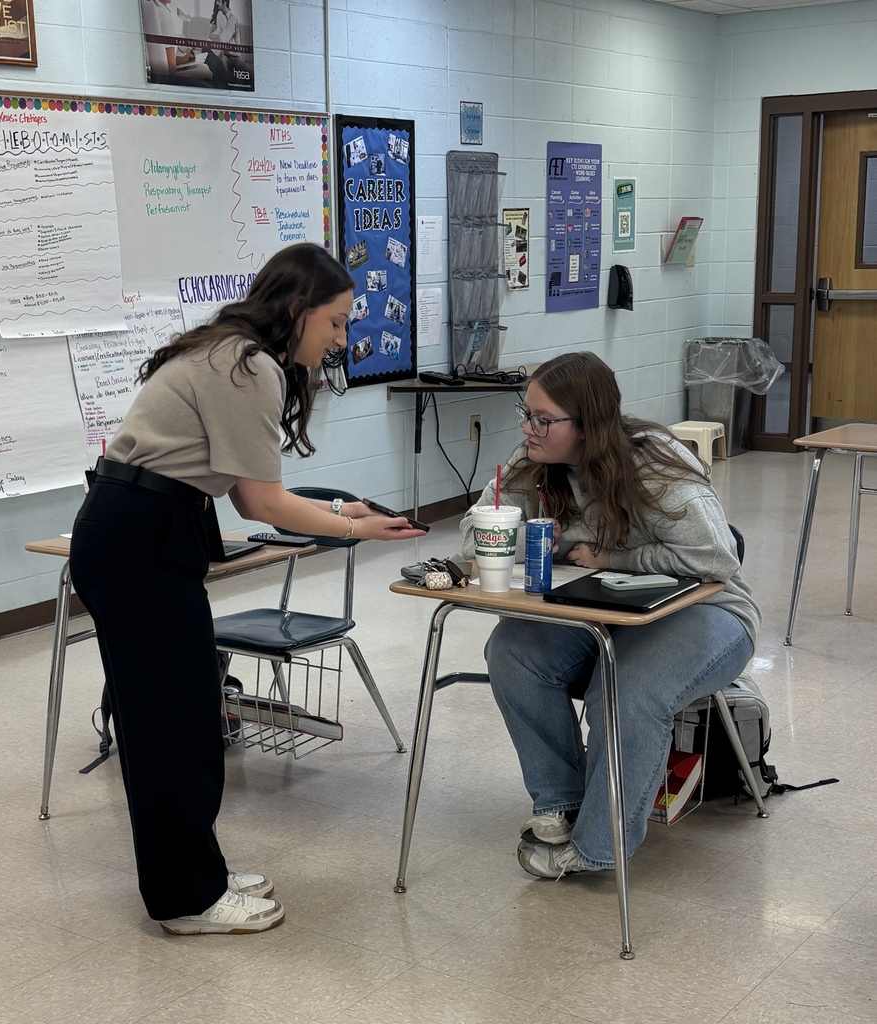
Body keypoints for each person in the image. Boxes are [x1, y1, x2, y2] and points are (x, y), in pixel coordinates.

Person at [69, 243, 425, 936]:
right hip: (139, 539)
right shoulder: (248, 365)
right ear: (296, 308)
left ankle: (195, 872)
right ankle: (186, 900)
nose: (341, 340)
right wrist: (354, 530)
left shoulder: (232, 352)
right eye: (336, 322)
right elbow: (261, 504)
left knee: (182, 714)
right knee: (171, 728)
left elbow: (244, 492)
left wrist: (339, 511)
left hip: (143, 531)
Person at [459, 351, 759, 879]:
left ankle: (597, 845)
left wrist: (615, 558)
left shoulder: (655, 462)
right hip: (606, 613)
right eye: (526, 413)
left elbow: (717, 558)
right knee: (512, 650)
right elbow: (473, 537)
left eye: (543, 419)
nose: (528, 428)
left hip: (708, 611)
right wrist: (533, 540)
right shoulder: (532, 461)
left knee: (625, 687)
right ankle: (562, 801)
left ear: (588, 424)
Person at [141, 0, 195, 79]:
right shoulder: (164, 16)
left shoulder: (149, 8)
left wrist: (183, 59)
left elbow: (164, 60)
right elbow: (171, 69)